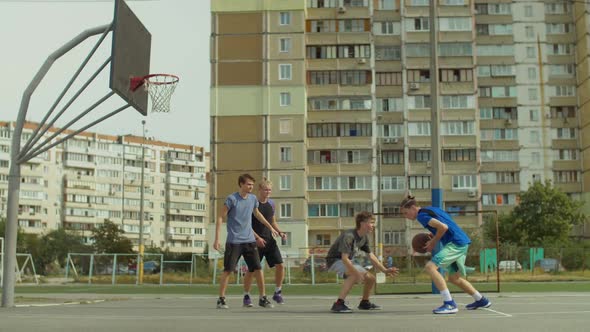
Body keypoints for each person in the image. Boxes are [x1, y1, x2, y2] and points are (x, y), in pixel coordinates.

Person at [400, 195, 492, 314]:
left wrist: (433, 241)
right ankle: (481, 300)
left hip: (455, 243)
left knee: (430, 267)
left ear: (413, 208)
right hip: (461, 241)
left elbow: (443, 227)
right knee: (454, 278)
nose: (406, 217)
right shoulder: (432, 209)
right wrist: (434, 236)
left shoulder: (422, 216)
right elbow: (445, 224)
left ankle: (449, 304)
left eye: (406, 213)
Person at [213, 174, 278, 309]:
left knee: (258, 269)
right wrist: (217, 238)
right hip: (234, 241)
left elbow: (257, 214)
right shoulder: (232, 199)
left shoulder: (253, 199)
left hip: (249, 241)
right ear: (241, 184)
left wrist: (270, 227)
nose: (251, 187)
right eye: (248, 184)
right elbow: (220, 217)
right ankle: (221, 299)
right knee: (228, 270)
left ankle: (262, 298)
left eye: (252, 185)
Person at [325, 211, 399, 313]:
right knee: (354, 274)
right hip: (334, 260)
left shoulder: (363, 237)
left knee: (371, 279)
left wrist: (385, 270)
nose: (373, 225)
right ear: (363, 223)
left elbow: (371, 256)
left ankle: (364, 302)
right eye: (371, 222)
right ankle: (338, 304)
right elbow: (344, 258)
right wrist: (356, 273)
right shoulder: (349, 236)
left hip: (346, 260)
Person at [242, 178, 288, 306]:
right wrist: (256, 238)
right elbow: (246, 225)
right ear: (259, 190)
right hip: (254, 241)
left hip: (269, 241)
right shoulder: (252, 203)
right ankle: (247, 296)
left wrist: (279, 232)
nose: (268, 192)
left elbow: (272, 222)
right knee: (252, 271)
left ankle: (277, 292)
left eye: (269, 190)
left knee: (280, 265)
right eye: (265, 189)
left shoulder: (271, 204)